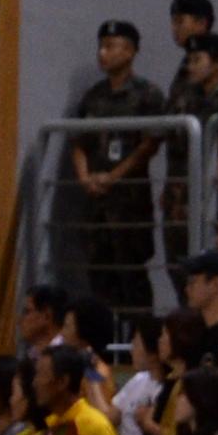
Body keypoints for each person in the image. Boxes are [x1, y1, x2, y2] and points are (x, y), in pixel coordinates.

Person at [68, 20, 171, 314]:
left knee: (132, 276)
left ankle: (137, 345)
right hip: (96, 202)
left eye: (111, 46)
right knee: (99, 274)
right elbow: (78, 141)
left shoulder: (147, 94)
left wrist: (113, 177)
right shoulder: (94, 96)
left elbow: (148, 145)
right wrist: (85, 177)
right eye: (101, 46)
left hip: (129, 203)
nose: (103, 53)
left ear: (130, 51)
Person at [167, 33, 218, 234]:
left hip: (212, 199)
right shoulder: (191, 97)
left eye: (197, 60)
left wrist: (203, 198)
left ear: (217, 63)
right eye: (189, 60)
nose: (190, 66)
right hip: (185, 193)